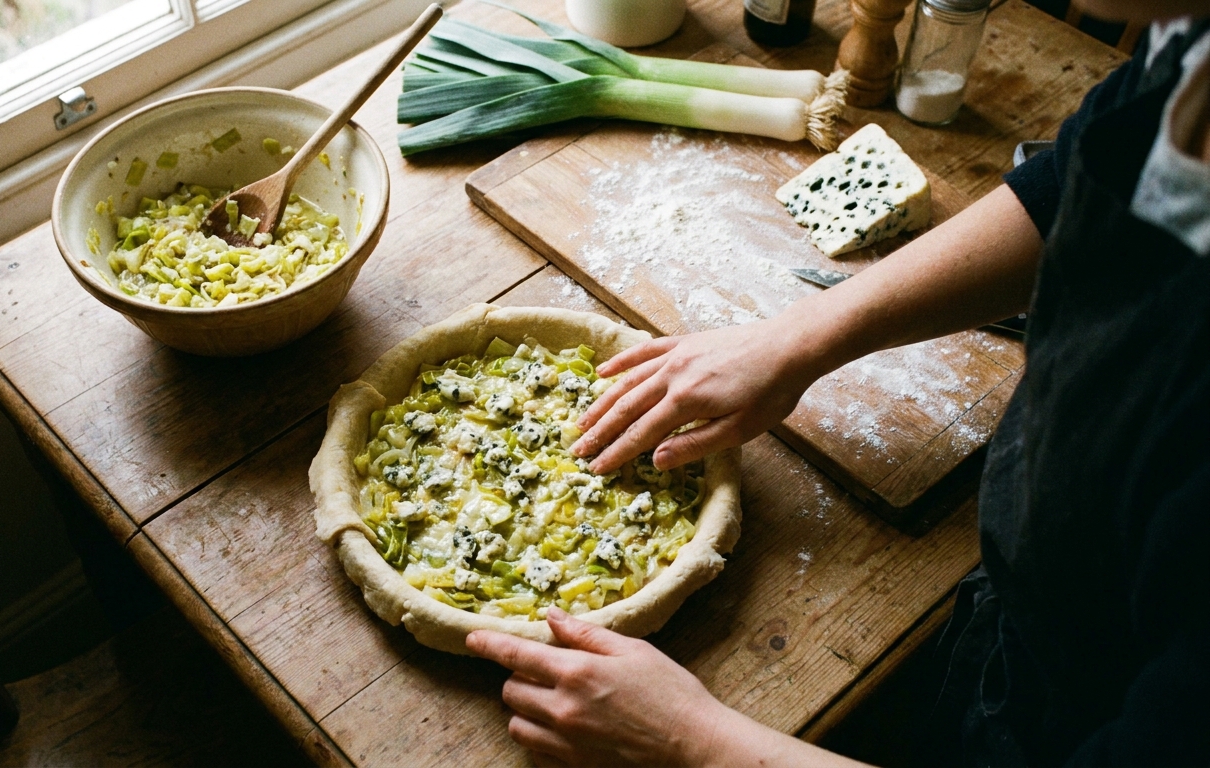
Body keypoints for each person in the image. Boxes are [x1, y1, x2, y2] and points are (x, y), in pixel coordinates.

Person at [465, 0, 1210, 765]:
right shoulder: (1192, 50)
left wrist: (695, 742)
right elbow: (1073, 183)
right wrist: (793, 340)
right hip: (1024, 615)